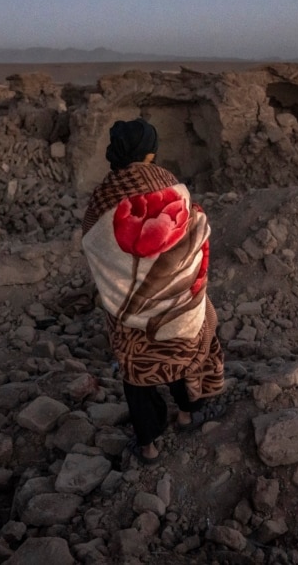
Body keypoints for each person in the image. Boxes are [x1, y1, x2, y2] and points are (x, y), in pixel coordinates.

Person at [81, 117, 225, 464]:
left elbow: (94, 243)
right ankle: (188, 413)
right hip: (179, 305)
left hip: (129, 313)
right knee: (184, 350)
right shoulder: (172, 186)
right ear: (150, 152)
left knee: (138, 373)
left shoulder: (103, 198)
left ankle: (148, 446)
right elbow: (196, 227)